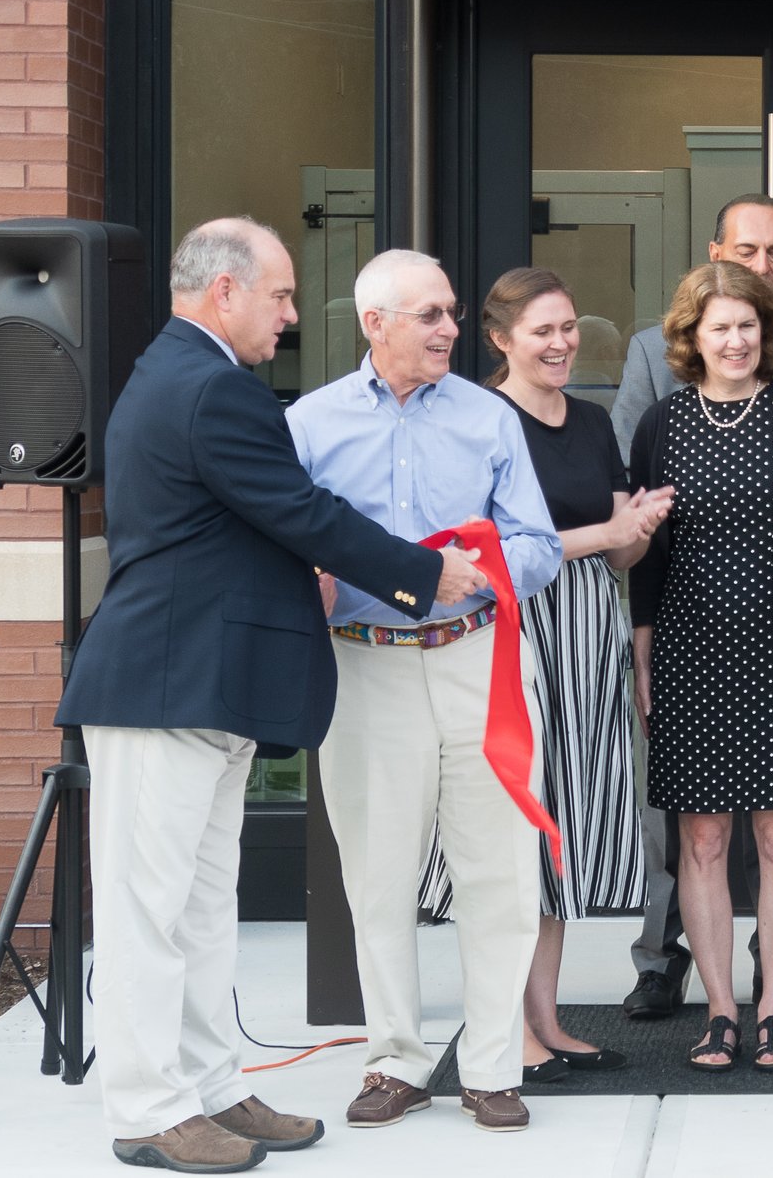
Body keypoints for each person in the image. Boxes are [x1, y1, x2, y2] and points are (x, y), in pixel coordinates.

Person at [57, 219, 476, 1175]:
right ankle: (149, 1107)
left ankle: (210, 1088)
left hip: (206, 686)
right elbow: (300, 511)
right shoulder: (213, 388)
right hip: (168, 684)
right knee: (149, 912)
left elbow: (259, 523)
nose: (293, 314)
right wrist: (421, 571)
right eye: (282, 295)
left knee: (203, 911)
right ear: (225, 292)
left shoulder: (184, 375)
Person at [288, 249, 563, 1135]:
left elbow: (540, 544)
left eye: (451, 313)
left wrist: (473, 573)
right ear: (376, 324)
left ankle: (491, 1066)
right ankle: (395, 1059)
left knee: (501, 873)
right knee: (377, 875)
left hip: (478, 661)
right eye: (431, 315)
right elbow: (283, 543)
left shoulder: (490, 418)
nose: (451, 328)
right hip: (363, 663)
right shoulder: (308, 424)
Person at [414, 269, 674, 1083]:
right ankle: (506, 1026)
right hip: (516, 627)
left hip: (588, 627)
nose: (562, 343)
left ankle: (546, 1020)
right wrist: (604, 529)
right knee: (513, 821)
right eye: (542, 331)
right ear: (500, 339)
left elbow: (619, 547)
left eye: (568, 328)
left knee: (559, 823)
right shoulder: (480, 418)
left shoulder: (594, 421)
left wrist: (636, 528)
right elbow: (486, 549)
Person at [612, 192, 773, 1022]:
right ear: (692, 336)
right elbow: (648, 553)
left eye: (749, 325)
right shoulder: (661, 425)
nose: (737, 338)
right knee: (703, 840)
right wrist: (642, 650)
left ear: (768, 330)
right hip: (688, 651)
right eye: (720, 326)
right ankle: (719, 1009)